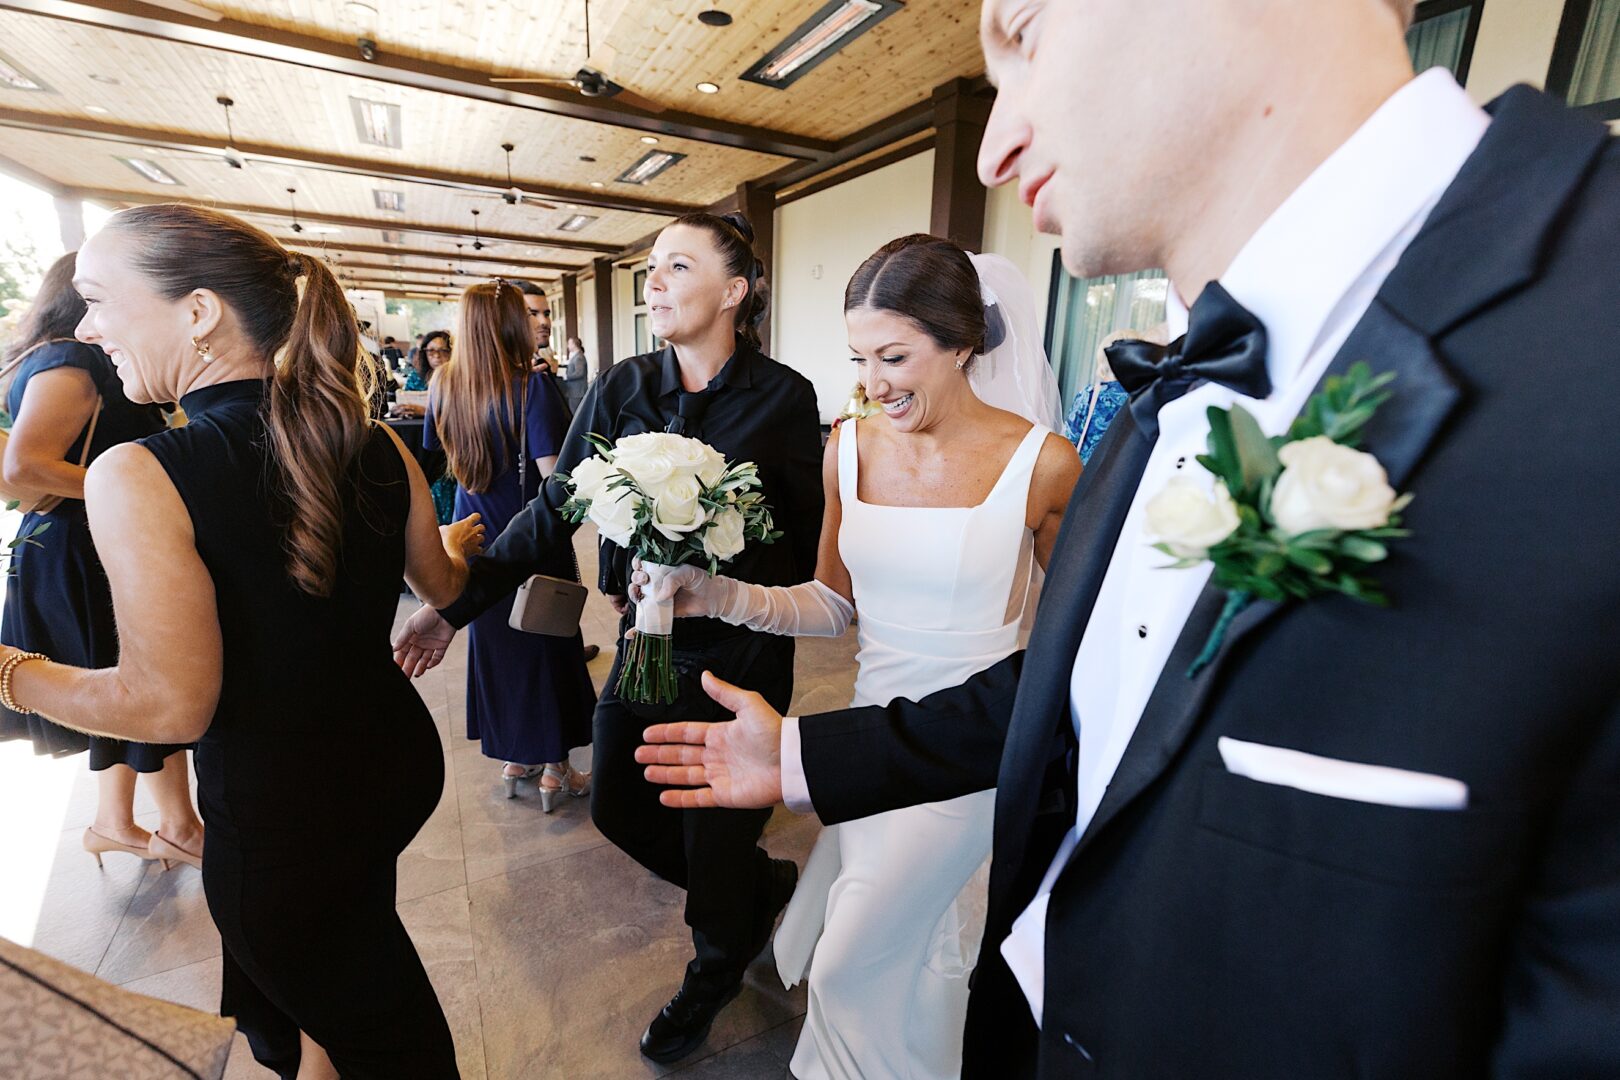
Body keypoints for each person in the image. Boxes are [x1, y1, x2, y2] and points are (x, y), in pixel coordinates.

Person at [636, 1, 1620, 1077]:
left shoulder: (1586, 348)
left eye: (1026, 33)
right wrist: (803, 744)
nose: (1001, 141)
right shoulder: (1163, 405)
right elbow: (1087, 695)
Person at [1, 203, 485, 1078]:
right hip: (390, 770)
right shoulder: (375, 442)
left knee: (392, 1039)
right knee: (330, 979)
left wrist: (10, 672)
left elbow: (170, 701)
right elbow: (442, 587)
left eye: (102, 301)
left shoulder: (140, 470)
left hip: (282, 822)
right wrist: (451, 545)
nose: (88, 327)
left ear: (198, 313)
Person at [634, 235, 1077, 1080]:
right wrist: (719, 592)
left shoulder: (1045, 466)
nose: (874, 382)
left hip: (962, 762)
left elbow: (1070, 638)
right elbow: (832, 604)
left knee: (847, 964)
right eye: (860, 358)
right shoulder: (850, 446)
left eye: (896, 356)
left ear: (962, 343)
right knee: (911, 950)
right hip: (865, 739)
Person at [394, 211, 824, 1065]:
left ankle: (715, 967)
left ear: (734, 292)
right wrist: (454, 606)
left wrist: (715, 567)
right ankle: (748, 895)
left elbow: (800, 546)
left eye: (677, 266)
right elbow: (553, 508)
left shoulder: (785, 399)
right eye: (652, 267)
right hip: (645, 640)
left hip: (736, 653)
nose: (654, 281)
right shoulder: (624, 385)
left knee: (714, 827)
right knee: (623, 806)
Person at [0, 252, 205, 873]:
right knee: (144, 681)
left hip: (78, 537)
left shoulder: (56, 355)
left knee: (116, 679)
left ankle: (114, 822)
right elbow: (25, 466)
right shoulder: (72, 359)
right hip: (85, 541)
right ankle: (179, 826)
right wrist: (132, 482)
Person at [423, 281, 595, 805]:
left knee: (498, 650)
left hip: (468, 539)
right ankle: (556, 769)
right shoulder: (531, 387)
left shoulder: (442, 384)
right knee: (544, 646)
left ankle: (516, 757)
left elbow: (437, 454)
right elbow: (556, 480)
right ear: (508, 324)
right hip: (525, 539)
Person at [561, 335, 588, 414]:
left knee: (575, 414)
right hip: (575, 391)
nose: (568, 346)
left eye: (569, 343)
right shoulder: (577, 356)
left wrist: (566, 377)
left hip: (577, 392)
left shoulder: (578, 357)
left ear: (573, 344)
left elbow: (579, 373)